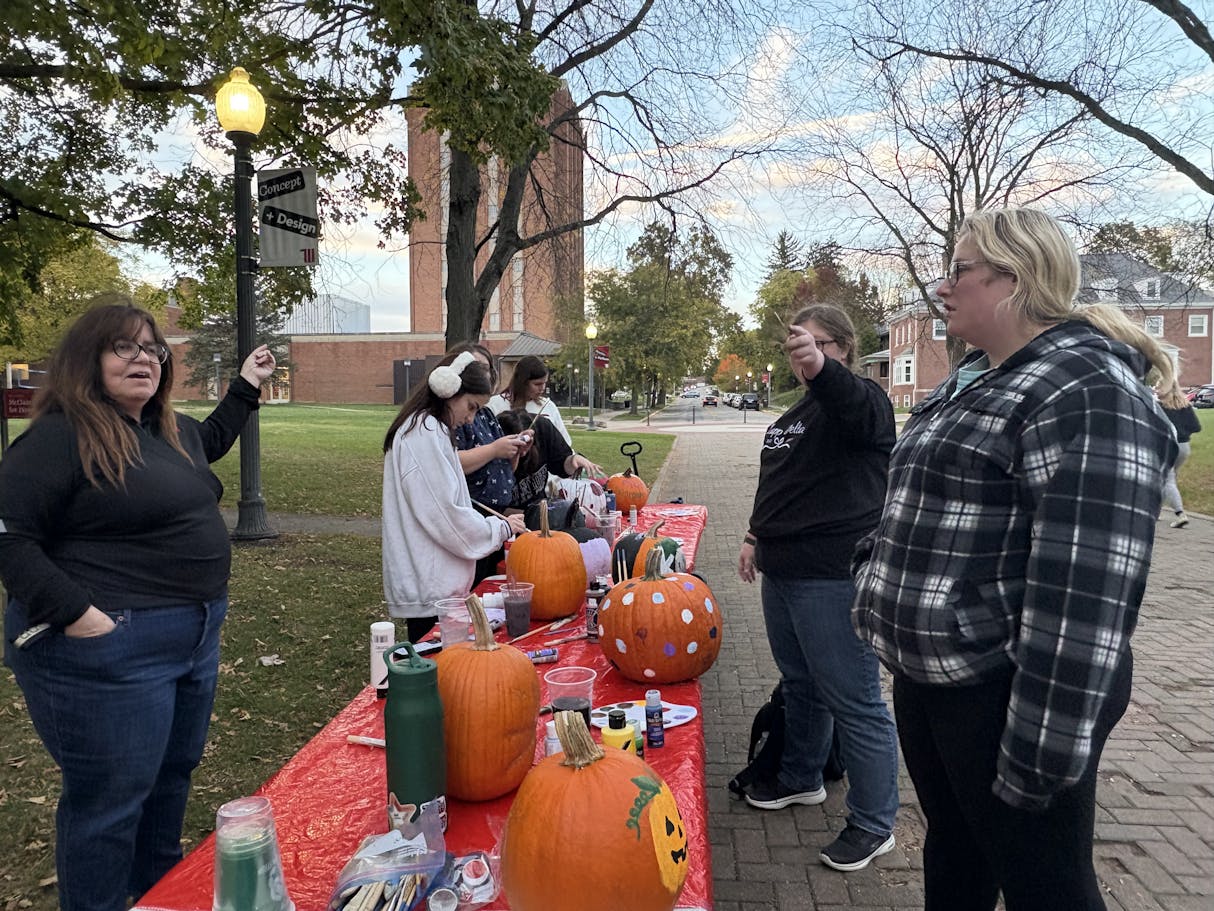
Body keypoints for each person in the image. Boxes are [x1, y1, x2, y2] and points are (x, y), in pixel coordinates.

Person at [852, 207, 1178, 911]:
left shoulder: (1084, 389)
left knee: (1046, 886)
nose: (944, 287)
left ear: (1016, 276)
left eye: (960, 270)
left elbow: (1086, 597)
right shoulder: (976, 375)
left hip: (1005, 696)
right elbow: (916, 496)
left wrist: (1041, 750)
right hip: (933, 682)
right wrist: (870, 569)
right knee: (958, 854)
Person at [0, 299, 278, 911]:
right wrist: (79, 615)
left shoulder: (167, 432)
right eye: (124, 347)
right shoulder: (59, 437)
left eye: (153, 349)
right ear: (86, 359)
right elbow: (11, 539)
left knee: (169, 783)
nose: (144, 359)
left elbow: (210, 439)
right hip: (111, 650)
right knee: (110, 802)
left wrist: (245, 387)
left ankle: (159, 896)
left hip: (193, 639)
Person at [736, 303, 901, 872]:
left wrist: (826, 372)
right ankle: (802, 776)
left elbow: (856, 406)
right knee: (800, 682)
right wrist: (755, 535)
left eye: (818, 343)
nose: (803, 353)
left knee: (855, 699)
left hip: (830, 576)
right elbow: (781, 482)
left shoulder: (862, 403)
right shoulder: (793, 417)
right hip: (781, 570)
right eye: (795, 345)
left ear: (844, 348)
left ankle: (875, 822)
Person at [382, 350, 528, 642]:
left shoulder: (430, 429)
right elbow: (445, 514)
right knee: (442, 675)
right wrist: (499, 528)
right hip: (432, 588)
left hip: (438, 585)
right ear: (449, 391)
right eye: (471, 407)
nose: (470, 418)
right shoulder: (423, 433)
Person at [450, 343, 529, 583]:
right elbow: (454, 462)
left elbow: (503, 469)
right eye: (476, 368)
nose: (482, 375)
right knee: (473, 585)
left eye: (486, 369)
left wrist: (514, 452)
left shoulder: (485, 415)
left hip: (496, 519)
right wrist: (495, 449)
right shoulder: (457, 416)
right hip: (475, 518)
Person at [496, 409, 602, 514]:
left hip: (542, 509)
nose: (522, 453)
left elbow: (560, 464)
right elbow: (493, 510)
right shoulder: (493, 459)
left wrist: (573, 460)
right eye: (516, 449)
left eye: (526, 446)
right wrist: (532, 515)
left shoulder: (542, 428)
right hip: (510, 521)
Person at [488, 354, 574, 446]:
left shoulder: (548, 406)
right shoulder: (494, 404)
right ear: (522, 383)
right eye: (537, 384)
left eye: (544, 383)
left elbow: (564, 443)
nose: (542, 388)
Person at [1157, 381, 1201, 528]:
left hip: (1170, 446)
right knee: (1167, 478)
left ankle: (1180, 514)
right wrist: (1184, 432)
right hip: (1184, 447)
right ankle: (1156, 512)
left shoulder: (1161, 407)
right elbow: (1196, 427)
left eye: (1159, 386)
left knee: (1168, 480)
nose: (1157, 389)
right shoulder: (1185, 405)